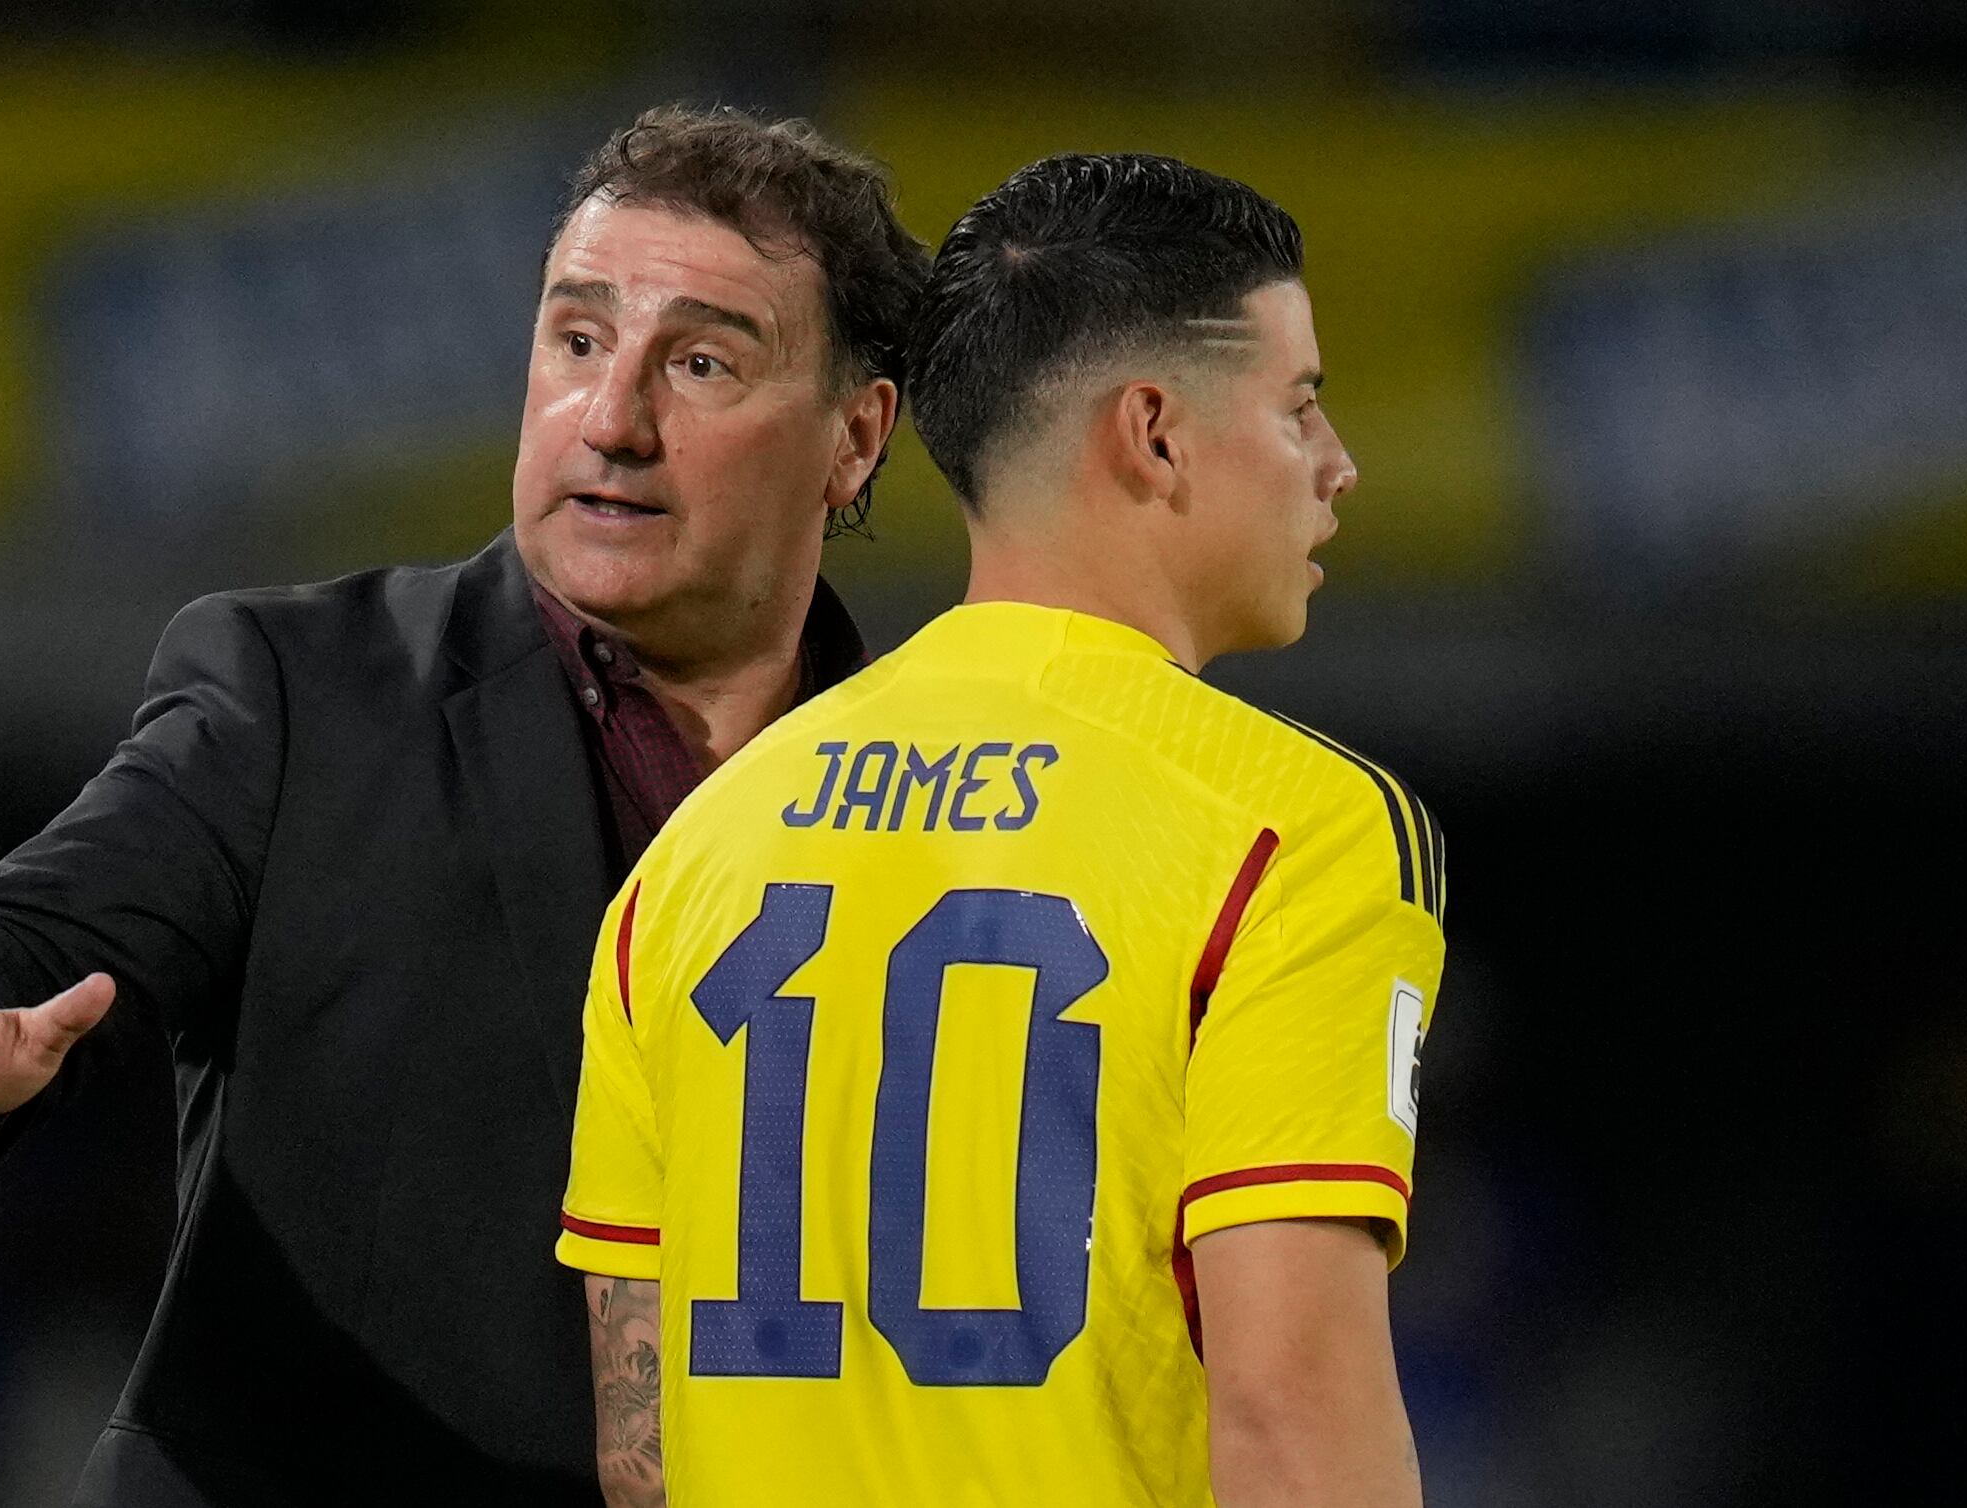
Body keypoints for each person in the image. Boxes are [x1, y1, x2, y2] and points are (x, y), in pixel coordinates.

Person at [0, 104, 929, 1507]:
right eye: (578, 341)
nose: (613, 419)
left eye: (701, 363)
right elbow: (2, 933)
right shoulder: (301, 693)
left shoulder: (943, 808)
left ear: (854, 438)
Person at [556, 153, 1443, 1507]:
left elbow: (642, 1452)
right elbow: (1291, 1433)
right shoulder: (1291, 830)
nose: (1338, 466)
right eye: (1300, 407)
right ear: (1154, 433)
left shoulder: (694, 851)